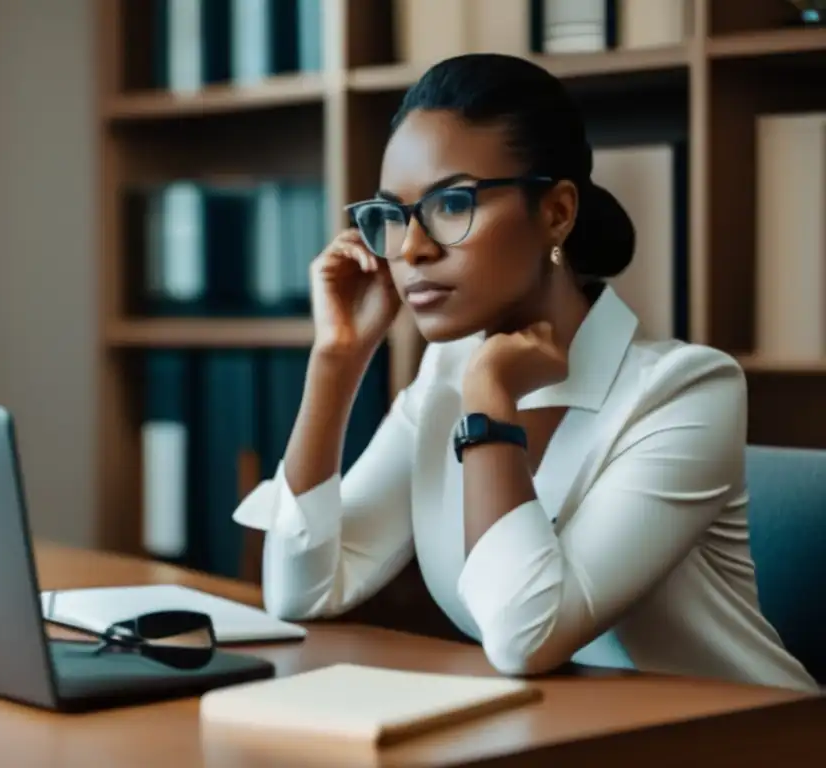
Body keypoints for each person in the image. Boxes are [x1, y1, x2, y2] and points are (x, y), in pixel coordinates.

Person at [232, 53, 817, 692]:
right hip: (560, 738)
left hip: (745, 741)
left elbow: (523, 636)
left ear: (557, 213)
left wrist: (489, 405)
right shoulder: (444, 376)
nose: (411, 248)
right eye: (393, 215)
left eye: (452, 203)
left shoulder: (687, 391)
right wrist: (336, 359)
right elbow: (301, 591)